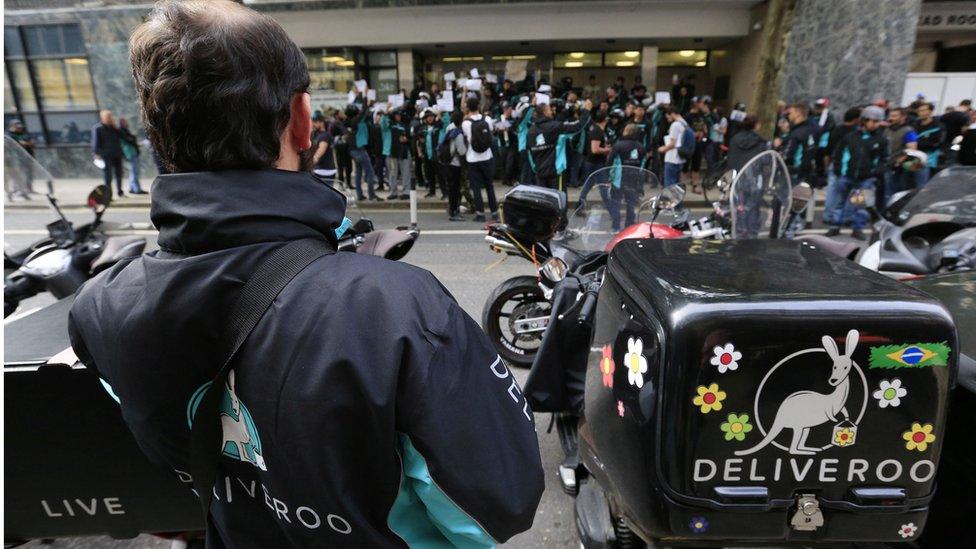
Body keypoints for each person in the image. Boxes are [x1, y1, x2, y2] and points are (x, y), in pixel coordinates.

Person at [68, 2, 544, 546]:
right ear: (301, 120)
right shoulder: (398, 310)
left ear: (155, 130)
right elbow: (498, 504)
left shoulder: (98, 306)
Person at [825, 105, 887, 240]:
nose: (874, 124)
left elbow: (883, 159)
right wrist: (839, 171)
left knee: (862, 204)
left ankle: (857, 228)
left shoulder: (881, 140)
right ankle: (834, 226)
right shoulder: (850, 137)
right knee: (839, 201)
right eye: (872, 121)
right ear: (864, 120)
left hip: (866, 178)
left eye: (877, 122)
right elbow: (840, 154)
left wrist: (875, 173)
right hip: (846, 175)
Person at [526, 101, 582, 189]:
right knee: (558, 200)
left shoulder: (530, 131)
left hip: (539, 174)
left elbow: (529, 152)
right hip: (556, 173)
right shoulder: (556, 127)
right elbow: (578, 127)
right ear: (545, 112)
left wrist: (536, 169)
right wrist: (586, 111)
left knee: (543, 201)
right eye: (549, 109)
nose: (552, 111)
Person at [462, 97, 498, 221]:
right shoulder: (487, 119)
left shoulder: (466, 123)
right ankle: (494, 213)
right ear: (478, 106)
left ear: (468, 108)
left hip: (472, 158)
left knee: (476, 187)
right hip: (487, 156)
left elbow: (466, 138)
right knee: (489, 186)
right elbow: (491, 133)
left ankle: (480, 214)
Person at [606, 123, 646, 232]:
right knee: (630, 205)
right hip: (634, 180)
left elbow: (610, 163)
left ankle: (616, 227)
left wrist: (608, 178)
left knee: (615, 203)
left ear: (626, 131)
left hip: (618, 180)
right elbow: (642, 166)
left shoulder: (618, 145)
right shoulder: (641, 147)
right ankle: (629, 228)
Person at [576, 109, 612, 209]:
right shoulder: (597, 131)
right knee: (603, 188)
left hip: (596, 162)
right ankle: (612, 211)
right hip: (595, 163)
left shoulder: (600, 130)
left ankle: (579, 206)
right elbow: (594, 149)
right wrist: (607, 150)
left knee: (588, 185)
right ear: (605, 119)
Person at [775, 103, 817, 184]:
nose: (788, 115)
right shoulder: (810, 129)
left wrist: (778, 147)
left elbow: (786, 156)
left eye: (790, 113)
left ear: (797, 114)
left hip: (793, 174)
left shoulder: (797, 134)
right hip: (806, 174)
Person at [347, 102, 381, 201]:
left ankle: (360, 195)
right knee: (370, 172)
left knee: (358, 173)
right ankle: (371, 194)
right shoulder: (356, 121)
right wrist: (366, 100)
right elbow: (364, 112)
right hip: (360, 150)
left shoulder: (351, 121)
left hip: (353, 151)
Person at [883, 107, 918, 204]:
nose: (891, 118)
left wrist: (898, 161)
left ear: (903, 117)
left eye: (894, 116)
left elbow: (912, 149)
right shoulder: (886, 130)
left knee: (894, 193)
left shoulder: (909, 131)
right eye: (890, 116)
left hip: (898, 168)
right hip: (885, 165)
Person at [91, 109, 126, 198]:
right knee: (108, 176)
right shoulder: (98, 128)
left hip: (117, 153)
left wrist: (116, 126)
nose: (109, 118)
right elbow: (95, 141)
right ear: (102, 118)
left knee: (119, 174)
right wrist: (96, 153)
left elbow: (123, 136)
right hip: (106, 155)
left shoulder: (114, 128)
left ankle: (120, 192)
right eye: (107, 116)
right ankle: (108, 195)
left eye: (110, 116)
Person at [442, 112, 467, 221]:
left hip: (447, 162)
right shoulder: (459, 134)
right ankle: (453, 212)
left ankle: (452, 209)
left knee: (451, 187)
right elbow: (461, 151)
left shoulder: (450, 130)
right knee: (454, 189)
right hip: (455, 163)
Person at [913, 102, 944, 186]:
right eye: (919, 111)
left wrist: (917, 144)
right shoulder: (915, 125)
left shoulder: (938, 126)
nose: (921, 113)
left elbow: (937, 143)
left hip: (928, 158)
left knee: (922, 185)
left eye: (924, 110)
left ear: (930, 111)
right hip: (912, 157)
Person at [384, 107, 412, 199]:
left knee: (406, 172)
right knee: (392, 173)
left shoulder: (405, 125)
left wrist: (406, 139)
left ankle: (406, 192)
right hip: (392, 153)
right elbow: (383, 123)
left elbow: (410, 136)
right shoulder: (388, 125)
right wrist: (386, 113)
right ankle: (393, 192)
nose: (398, 116)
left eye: (399, 115)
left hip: (404, 151)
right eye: (396, 115)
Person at [657, 106, 687, 189]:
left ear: (672, 114)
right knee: (677, 187)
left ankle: (671, 202)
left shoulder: (675, 125)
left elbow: (673, 143)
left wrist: (662, 149)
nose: (667, 119)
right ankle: (678, 202)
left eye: (668, 116)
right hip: (680, 158)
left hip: (672, 158)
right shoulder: (684, 123)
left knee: (669, 186)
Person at [117, 118, 147, 194]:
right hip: (131, 153)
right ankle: (137, 189)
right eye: (125, 122)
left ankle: (132, 188)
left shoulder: (125, 130)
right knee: (134, 171)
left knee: (132, 171)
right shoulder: (122, 131)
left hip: (131, 153)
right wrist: (134, 139)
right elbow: (130, 140)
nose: (127, 123)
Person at [7, 119, 35, 198]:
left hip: (28, 157)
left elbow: (30, 142)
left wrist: (26, 143)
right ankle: (17, 189)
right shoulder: (9, 135)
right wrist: (24, 143)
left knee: (28, 174)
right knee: (18, 174)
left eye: (20, 127)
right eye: (17, 127)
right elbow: (13, 145)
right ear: (12, 126)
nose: (20, 129)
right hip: (16, 159)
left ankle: (29, 188)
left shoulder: (24, 133)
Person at [310, 111, 337, 181]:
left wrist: (313, 160)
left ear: (321, 122)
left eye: (315, 122)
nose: (313, 124)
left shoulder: (325, 135)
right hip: (319, 170)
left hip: (325, 172)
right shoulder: (316, 134)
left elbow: (321, 149)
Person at [331, 109, 352, 189]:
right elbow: (345, 131)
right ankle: (342, 184)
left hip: (345, 147)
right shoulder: (336, 122)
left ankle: (348, 183)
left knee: (348, 166)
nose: (343, 114)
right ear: (337, 115)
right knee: (341, 166)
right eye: (341, 113)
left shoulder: (342, 122)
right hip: (340, 147)